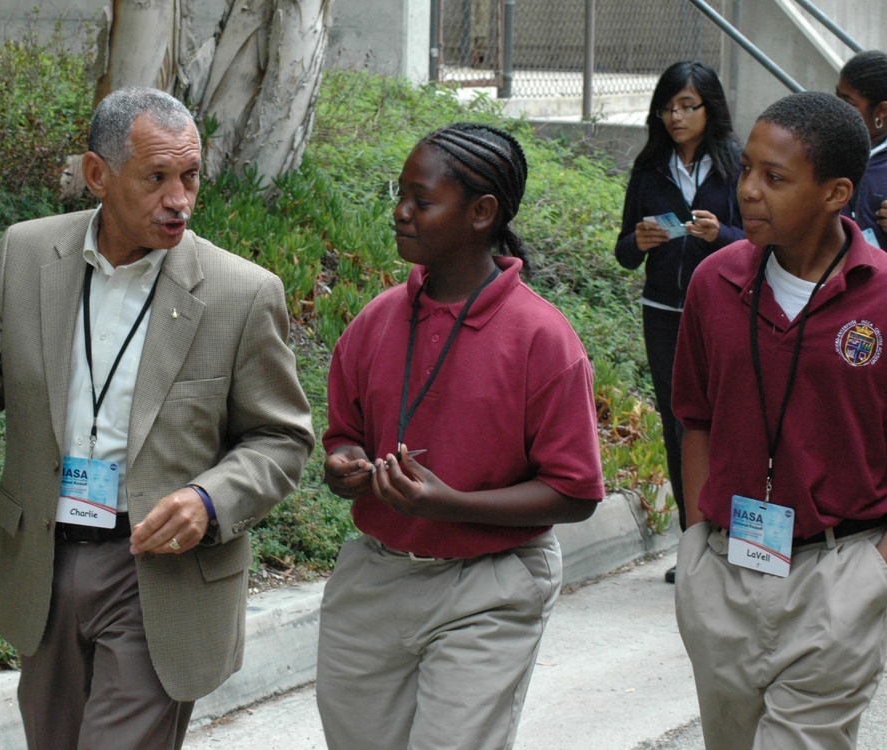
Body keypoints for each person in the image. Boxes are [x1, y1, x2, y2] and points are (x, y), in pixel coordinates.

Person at [0, 86, 314, 749]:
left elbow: (281, 438)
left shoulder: (240, 293)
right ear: (97, 175)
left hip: (158, 572)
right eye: (155, 178)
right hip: (43, 559)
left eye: (189, 176)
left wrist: (209, 499)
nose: (179, 199)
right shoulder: (26, 255)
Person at [317, 122, 605, 750]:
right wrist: (345, 463)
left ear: (481, 213)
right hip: (376, 577)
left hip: (491, 584)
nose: (400, 212)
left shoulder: (542, 339)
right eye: (400, 194)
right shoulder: (375, 320)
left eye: (422, 201)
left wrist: (451, 505)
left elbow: (576, 493)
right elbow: (343, 435)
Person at [672, 91, 887, 749]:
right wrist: (697, 541)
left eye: (775, 177)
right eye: (746, 171)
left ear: (836, 192)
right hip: (727, 568)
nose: (749, 193)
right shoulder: (714, 283)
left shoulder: (882, 295)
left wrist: (877, 571)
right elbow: (695, 417)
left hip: (841, 569)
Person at [614, 61, 744, 583]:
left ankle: (735, 539)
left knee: (733, 422)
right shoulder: (650, 168)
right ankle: (693, 547)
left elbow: (761, 241)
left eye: (687, 106)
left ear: (709, 107)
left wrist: (723, 235)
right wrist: (637, 243)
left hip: (726, 311)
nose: (676, 116)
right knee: (679, 425)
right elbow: (624, 252)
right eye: (668, 107)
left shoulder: (737, 163)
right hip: (665, 314)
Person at [836, 49, 887, 248]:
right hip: (827, 274)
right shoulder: (822, 142)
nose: (838, 108)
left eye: (848, 103)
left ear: (882, 111)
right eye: (837, 96)